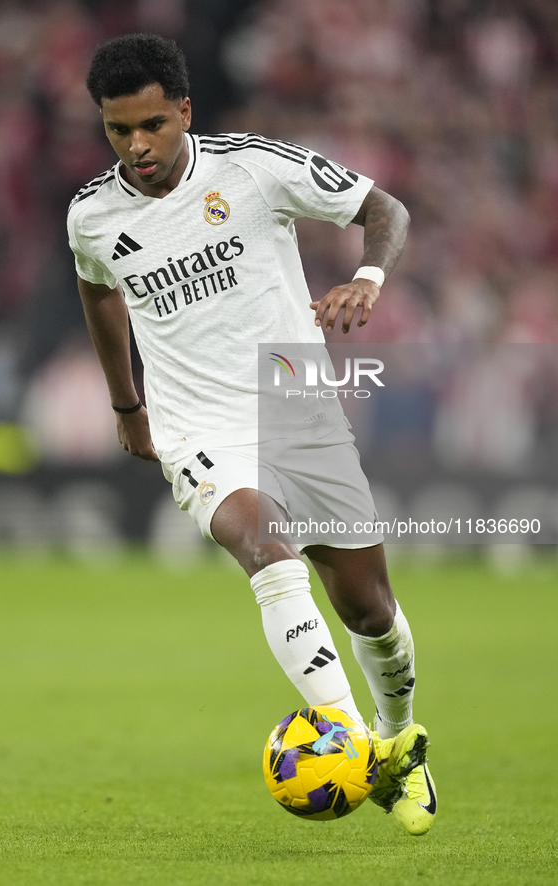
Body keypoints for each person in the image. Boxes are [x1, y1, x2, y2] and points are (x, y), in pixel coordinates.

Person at [67, 33, 437, 835]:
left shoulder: (253, 167)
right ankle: (354, 749)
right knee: (264, 549)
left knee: (368, 609)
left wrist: (366, 276)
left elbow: (385, 209)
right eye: (117, 130)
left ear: (184, 112)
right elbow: (98, 291)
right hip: (197, 423)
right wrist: (128, 406)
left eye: (152, 126)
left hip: (295, 401)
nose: (136, 146)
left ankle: (400, 737)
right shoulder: (92, 216)